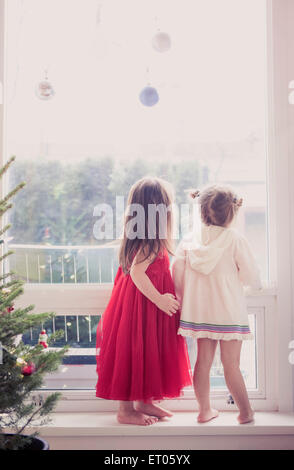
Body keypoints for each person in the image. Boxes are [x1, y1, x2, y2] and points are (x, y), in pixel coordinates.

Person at [96, 176, 191, 426]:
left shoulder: (147, 240)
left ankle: (144, 401)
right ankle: (125, 410)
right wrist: (160, 299)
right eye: (168, 207)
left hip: (142, 304)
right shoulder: (150, 242)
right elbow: (138, 273)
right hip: (142, 304)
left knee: (147, 350)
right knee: (132, 351)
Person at [172, 184, 262, 424]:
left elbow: (176, 270)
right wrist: (248, 284)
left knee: (202, 362)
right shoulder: (235, 239)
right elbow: (251, 275)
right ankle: (245, 412)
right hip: (229, 310)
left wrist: (183, 294)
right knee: (231, 364)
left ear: (201, 212)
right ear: (231, 214)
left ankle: (204, 411)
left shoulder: (190, 240)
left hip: (200, 311)